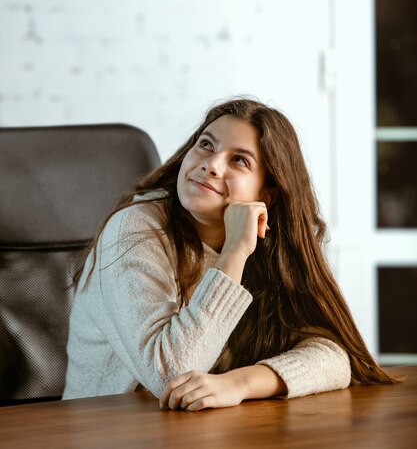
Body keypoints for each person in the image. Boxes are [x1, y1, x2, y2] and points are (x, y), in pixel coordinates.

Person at [63, 98, 397, 410]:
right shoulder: (134, 229)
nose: (210, 165)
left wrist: (240, 384)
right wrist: (235, 252)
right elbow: (172, 374)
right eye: (206, 144)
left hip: (203, 431)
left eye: (238, 160)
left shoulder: (272, 242)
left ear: (266, 194)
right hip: (107, 427)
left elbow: (336, 357)